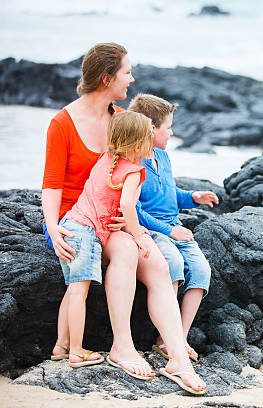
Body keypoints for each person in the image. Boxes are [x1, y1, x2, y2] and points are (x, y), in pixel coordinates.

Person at [42, 42, 206, 394]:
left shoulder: (123, 122)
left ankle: (177, 357)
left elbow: (135, 182)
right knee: (131, 252)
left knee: (158, 263)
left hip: (116, 220)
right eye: (126, 72)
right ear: (106, 78)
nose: (132, 80)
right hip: (78, 221)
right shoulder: (62, 123)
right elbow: (52, 185)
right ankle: (123, 348)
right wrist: (53, 228)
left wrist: (144, 224)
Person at [56, 111, 152, 369]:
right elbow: (127, 206)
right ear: (139, 144)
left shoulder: (105, 158)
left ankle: (61, 344)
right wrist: (139, 235)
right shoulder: (133, 171)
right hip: (86, 232)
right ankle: (76, 351)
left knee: (72, 288)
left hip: (70, 225)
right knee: (79, 291)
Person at [128, 94, 218, 362]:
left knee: (201, 271)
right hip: (153, 231)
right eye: (168, 127)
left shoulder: (163, 157)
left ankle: (173, 339)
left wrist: (192, 198)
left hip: (174, 226)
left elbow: (169, 193)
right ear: (151, 129)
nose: (172, 132)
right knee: (174, 266)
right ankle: (171, 338)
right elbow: (134, 210)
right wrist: (168, 232)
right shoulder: (135, 162)